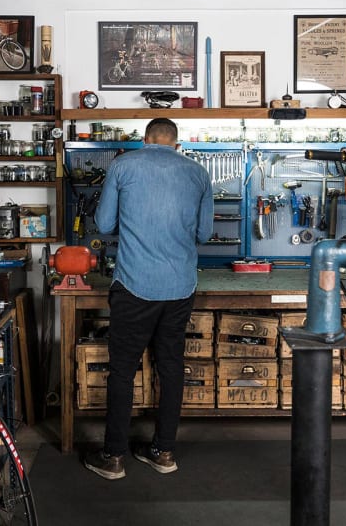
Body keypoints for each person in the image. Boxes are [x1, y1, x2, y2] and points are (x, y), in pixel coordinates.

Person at [84, 118, 214, 480]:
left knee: (123, 371)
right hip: (180, 287)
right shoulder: (198, 173)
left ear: (145, 139)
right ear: (176, 142)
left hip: (134, 285)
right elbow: (204, 233)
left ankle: (113, 457)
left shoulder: (124, 165)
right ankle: (163, 452)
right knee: (171, 368)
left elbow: (105, 224)